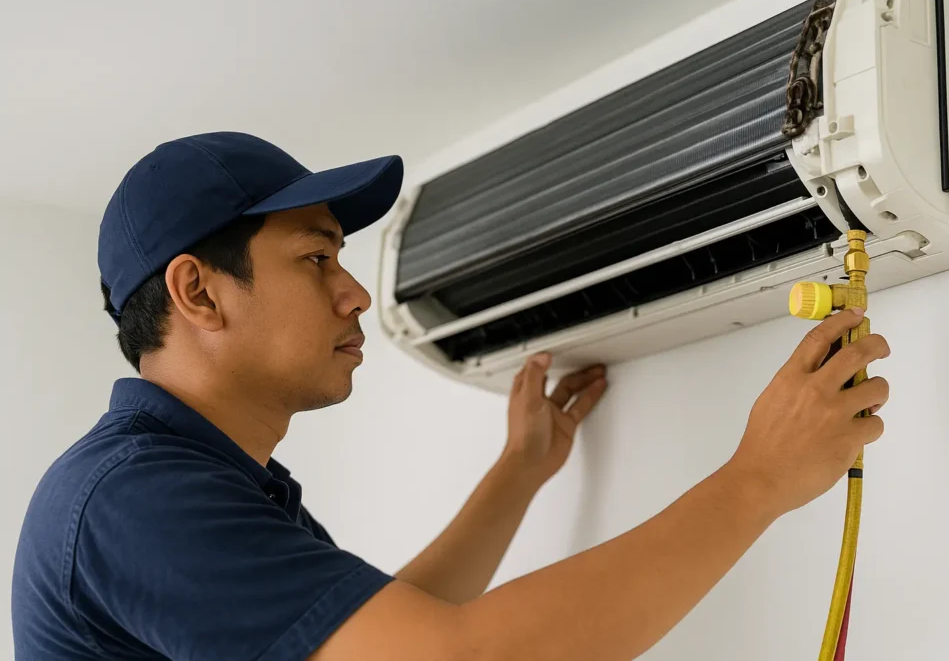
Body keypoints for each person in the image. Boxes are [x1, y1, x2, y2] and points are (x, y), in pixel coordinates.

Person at [12, 131, 890, 661]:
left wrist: (518, 473)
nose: (354, 293)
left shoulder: (198, 487)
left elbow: (399, 632)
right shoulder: (135, 499)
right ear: (199, 292)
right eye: (317, 258)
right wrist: (756, 480)